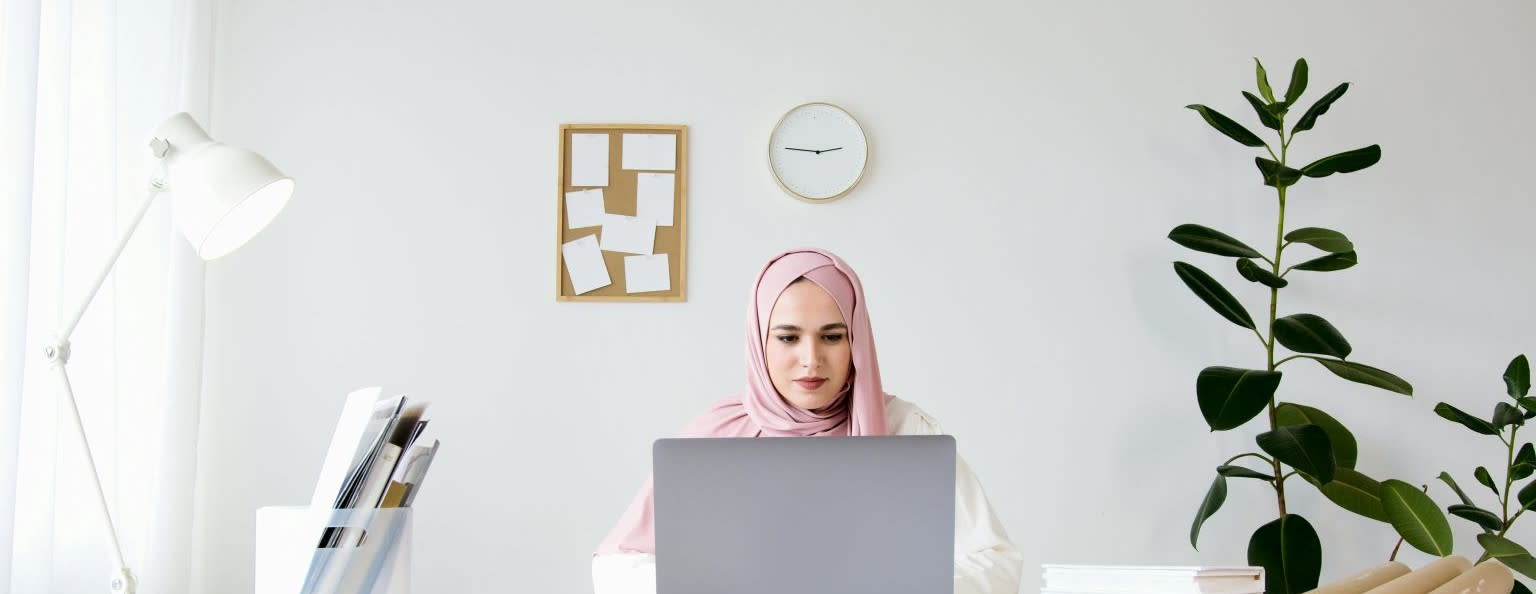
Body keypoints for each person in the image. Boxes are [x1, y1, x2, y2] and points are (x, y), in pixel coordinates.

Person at [591, 248, 1022, 594]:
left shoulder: (905, 430)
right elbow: (616, 565)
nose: (811, 359)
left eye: (833, 337)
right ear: (760, 341)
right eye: (788, 337)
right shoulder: (714, 437)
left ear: (856, 339)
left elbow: (996, 561)